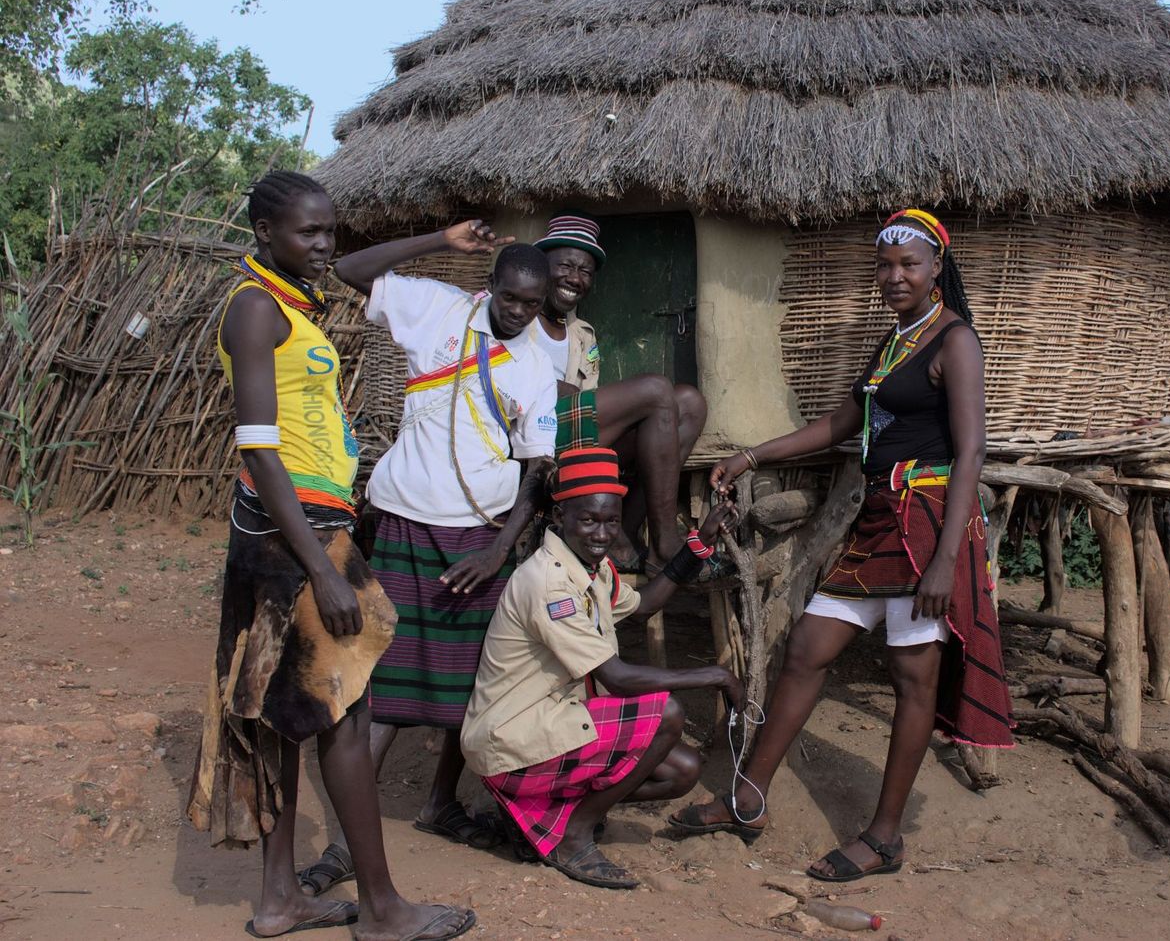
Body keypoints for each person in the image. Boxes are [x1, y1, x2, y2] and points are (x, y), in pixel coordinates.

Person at [668, 209, 1014, 882]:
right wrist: (750, 456)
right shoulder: (896, 342)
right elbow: (839, 423)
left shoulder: (955, 342)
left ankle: (885, 837)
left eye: (909, 264)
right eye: (885, 266)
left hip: (927, 526)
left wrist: (946, 557)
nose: (894, 276)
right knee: (807, 647)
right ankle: (749, 796)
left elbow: (972, 450)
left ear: (937, 267)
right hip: (882, 516)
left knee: (913, 676)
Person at [186, 170, 476, 941]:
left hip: (303, 526)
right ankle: (382, 909)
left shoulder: (286, 302)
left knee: (287, 716)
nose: (324, 245)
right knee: (346, 715)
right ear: (264, 234)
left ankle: (281, 899)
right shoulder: (253, 310)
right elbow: (259, 452)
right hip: (295, 534)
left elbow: (354, 269)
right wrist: (319, 563)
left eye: (329, 231)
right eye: (308, 233)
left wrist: (442, 241)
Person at [292, 237, 559, 895]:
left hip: (480, 538)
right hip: (405, 521)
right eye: (510, 297)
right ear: (486, 285)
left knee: (472, 686)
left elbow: (538, 472)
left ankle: (440, 801)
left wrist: (498, 550)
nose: (520, 312)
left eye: (532, 302)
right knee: (382, 688)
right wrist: (440, 240)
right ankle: (347, 845)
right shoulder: (437, 309)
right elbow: (348, 268)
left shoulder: (537, 368)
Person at [461, 447, 744, 889]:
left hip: (554, 726)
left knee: (683, 770)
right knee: (666, 713)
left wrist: (700, 543)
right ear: (561, 517)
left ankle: (552, 817)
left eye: (611, 521)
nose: (602, 532)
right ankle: (573, 835)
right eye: (588, 520)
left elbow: (647, 604)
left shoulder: (591, 570)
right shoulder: (550, 582)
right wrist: (715, 674)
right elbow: (616, 677)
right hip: (511, 743)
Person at [530, 213, 707, 570]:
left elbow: (585, 405)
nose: (574, 278)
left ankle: (629, 531)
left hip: (575, 440)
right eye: (564, 265)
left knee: (689, 402)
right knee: (657, 389)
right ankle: (667, 542)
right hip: (534, 441)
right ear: (540, 267)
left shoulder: (583, 335)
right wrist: (555, 391)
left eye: (585, 272)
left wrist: (565, 393)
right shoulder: (518, 317)